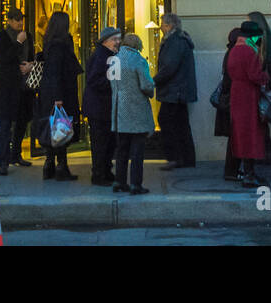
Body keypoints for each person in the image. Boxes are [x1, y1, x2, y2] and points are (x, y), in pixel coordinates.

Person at [36, 10, 81, 181]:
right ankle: (62, 167)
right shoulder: (60, 44)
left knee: (54, 127)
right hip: (60, 93)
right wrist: (58, 98)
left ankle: (49, 165)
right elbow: (56, 72)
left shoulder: (49, 42)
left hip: (50, 93)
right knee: (61, 128)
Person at [227, 19, 270, 189]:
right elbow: (255, 75)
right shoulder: (249, 51)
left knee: (242, 134)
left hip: (237, 93)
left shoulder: (234, 50)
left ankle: (247, 172)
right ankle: (250, 175)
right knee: (251, 133)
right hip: (248, 95)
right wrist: (265, 77)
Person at [0, 8, 34, 176]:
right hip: (7, 87)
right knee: (5, 124)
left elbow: (31, 56)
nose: (20, 23)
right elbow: (5, 58)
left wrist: (30, 65)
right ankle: (4, 161)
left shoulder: (27, 36)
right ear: (8, 20)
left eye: (21, 19)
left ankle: (16, 154)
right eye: (16, 20)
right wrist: (18, 42)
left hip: (24, 86)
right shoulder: (1, 37)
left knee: (22, 122)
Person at [111, 32, 155, 195]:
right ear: (138, 45)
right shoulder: (138, 60)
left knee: (122, 150)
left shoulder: (114, 60)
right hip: (136, 111)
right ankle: (136, 184)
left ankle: (119, 181)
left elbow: (111, 84)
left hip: (119, 109)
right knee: (137, 151)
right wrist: (152, 87)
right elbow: (146, 85)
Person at [153, 11, 197, 170]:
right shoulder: (180, 40)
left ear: (170, 25)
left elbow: (169, 67)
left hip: (174, 91)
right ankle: (186, 158)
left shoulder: (175, 42)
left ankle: (175, 157)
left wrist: (154, 81)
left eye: (163, 24)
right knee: (181, 124)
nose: (161, 28)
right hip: (178, 90)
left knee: (167, 121)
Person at [84, 26, 122, 185]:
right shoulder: (101, 56)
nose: (118, 42)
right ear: (105, 41)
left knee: (107, 143)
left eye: (119, 39)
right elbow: (93, 80)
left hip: (104, 108)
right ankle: (99, 174)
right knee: (101, 143)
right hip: (99, 108)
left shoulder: (108, 55)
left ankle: (105, 171)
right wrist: (113, 83)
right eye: (115, 39)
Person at [247, 10, 271, 164]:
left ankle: (267, 148)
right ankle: (266, 149)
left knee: (259, 117)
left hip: (261, 82)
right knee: (261, 117)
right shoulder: (269, 40)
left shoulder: (259, 41)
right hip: (266, 82)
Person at [215, 27, 244, 181]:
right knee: (236, 137)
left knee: (235, 137)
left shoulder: (230, 52)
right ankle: (232, 171)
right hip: (234, 101)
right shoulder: (235, 53)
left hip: (230, 99)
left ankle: (233, 170)